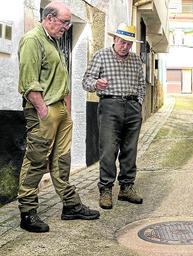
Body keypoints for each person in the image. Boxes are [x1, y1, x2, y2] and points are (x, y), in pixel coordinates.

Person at [17, 2, 100, 233]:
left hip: (60, 110)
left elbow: (58, 77)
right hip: (43, 110)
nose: (67, 26)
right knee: (35, 161)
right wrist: (43, 110)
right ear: (49, 18)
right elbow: (29, 81)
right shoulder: (32, 39)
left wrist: (66, 107)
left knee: (62, 160)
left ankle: (71, 205)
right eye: (64, 21)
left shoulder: (53, 41)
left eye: (69, 22)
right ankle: (27, 212)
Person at [82, 23, 146, 210]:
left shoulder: (135, 60)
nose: (125, 46)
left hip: (133, 106)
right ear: (114, 39)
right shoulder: (101, 55)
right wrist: (97, 84)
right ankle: (106, 189)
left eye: (129, 44)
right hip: (110, 105)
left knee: (130, 149)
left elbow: (141, 84)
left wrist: (139, 102)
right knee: (109, 149)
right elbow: (86, 81)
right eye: (122, 42)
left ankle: (126, 187)